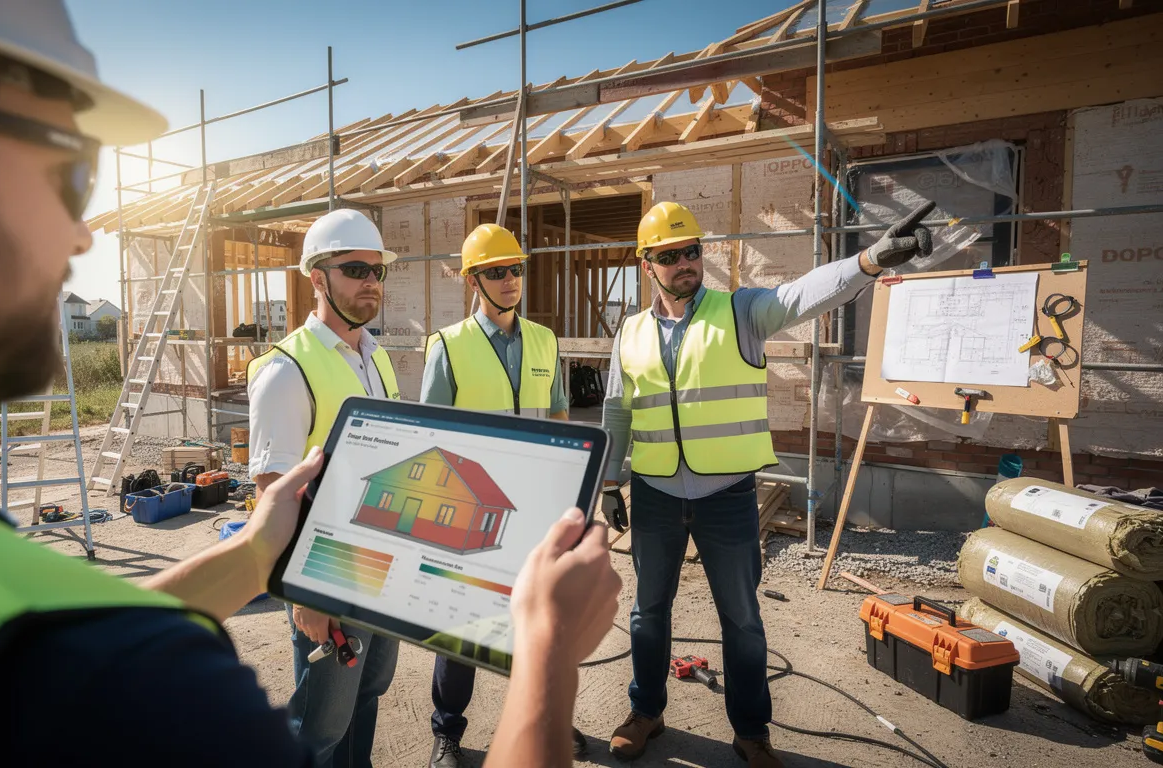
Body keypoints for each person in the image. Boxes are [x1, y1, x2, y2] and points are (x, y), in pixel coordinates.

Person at [0, 3, 622, 766]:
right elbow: (82, 645)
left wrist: (247, 562)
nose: (80, 233)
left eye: (379, 270)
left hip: (367, 579)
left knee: (363, 719)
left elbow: (79, 625)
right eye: (67, 173)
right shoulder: (131, 686)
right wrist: (545, 651)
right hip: (328, 590)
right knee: (325, 725)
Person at [600, 201, 933, 766]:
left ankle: (752, 730)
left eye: (692, 251)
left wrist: (870, 260)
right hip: (654, 493)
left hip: (725, 495)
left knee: (742, 619)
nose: (685, 262)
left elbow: (803, 294)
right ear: (647, 264)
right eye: (670, 255)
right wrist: (612, 482)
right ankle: (646, 711)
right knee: (647, 612)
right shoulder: (629, 333)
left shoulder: (741, 312)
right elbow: (617, 410)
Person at [419, 223, 583, 767]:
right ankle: (448, 731)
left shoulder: (544, 340)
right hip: (472, 511)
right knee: (462, 627)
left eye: (516, 269)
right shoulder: (448, 345)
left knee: (543, 621)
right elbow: (433, 436)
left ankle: (545, 719)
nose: (511, 280)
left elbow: (559, 414)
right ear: (473, 280)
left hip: (535, 508)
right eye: (497, 271)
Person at [245, 207, 404, 767]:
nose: (371, 281)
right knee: (319, 724)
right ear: (318, 278)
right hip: (327, 575)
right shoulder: (286, 370)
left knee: (370, 692)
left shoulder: (377, 358)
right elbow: (273, 492)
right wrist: (301, 593)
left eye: (378, 270)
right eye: (356, 268)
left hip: (380, 566)